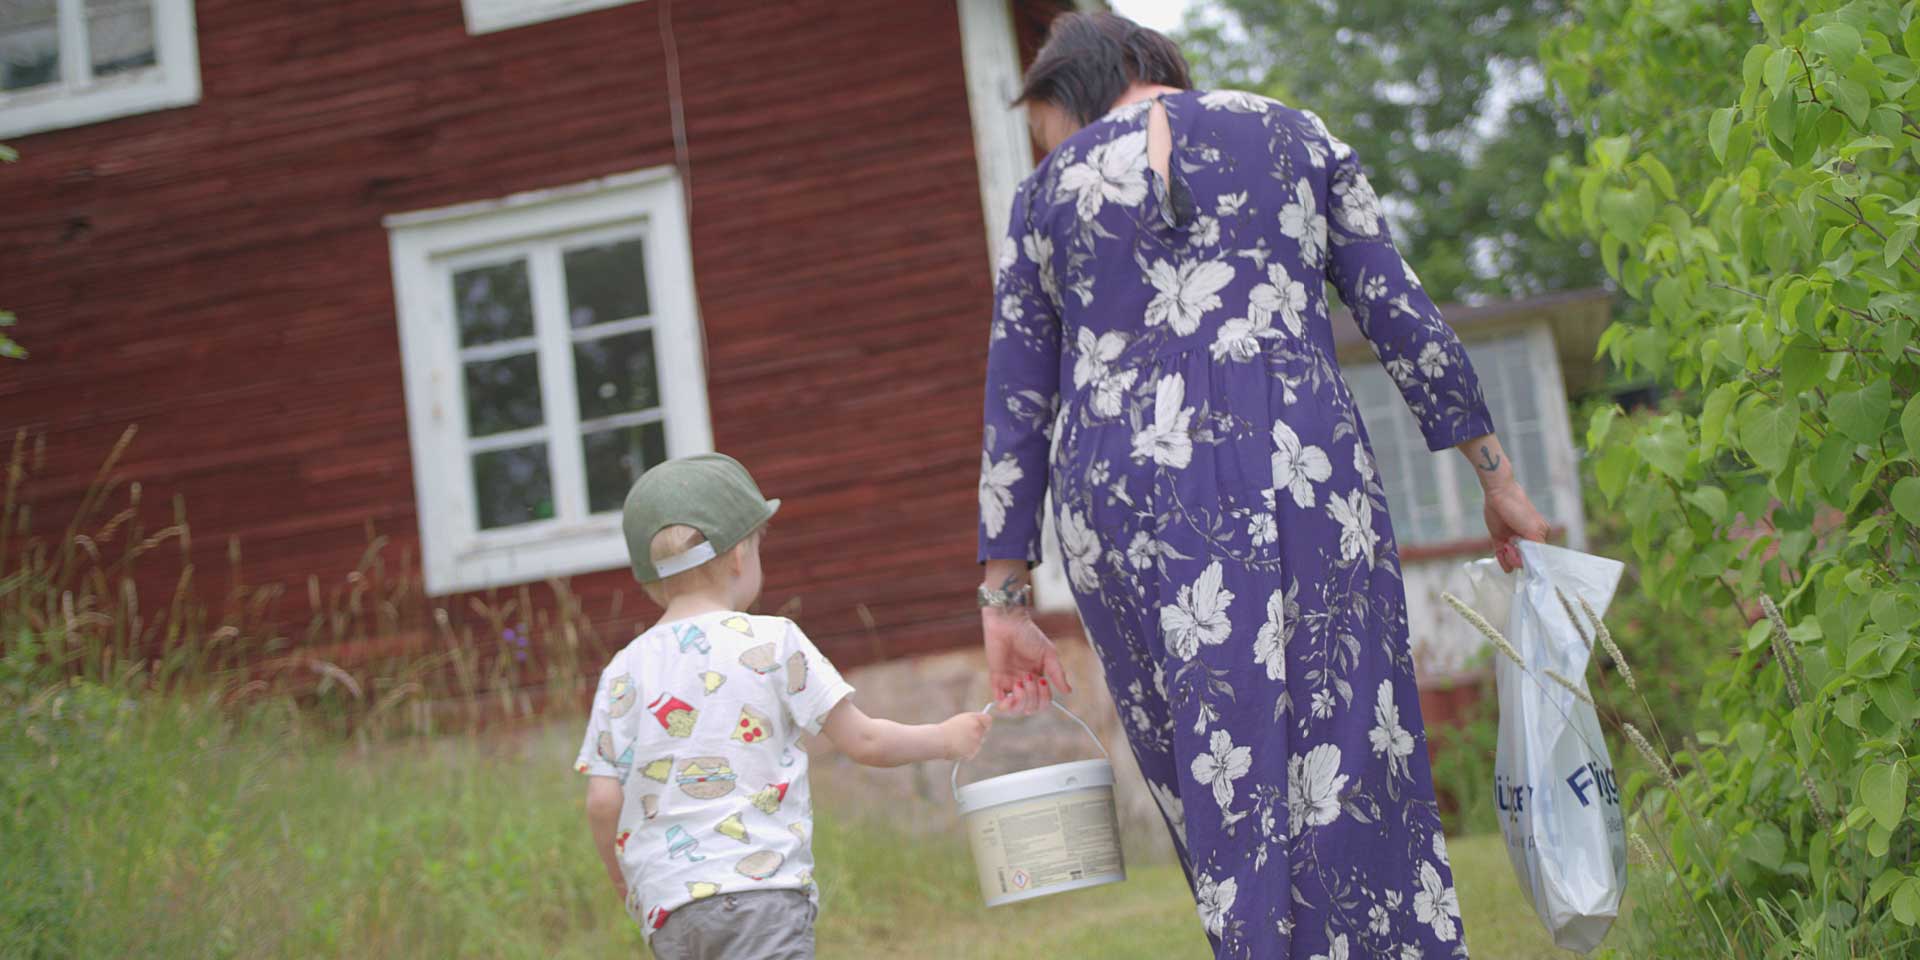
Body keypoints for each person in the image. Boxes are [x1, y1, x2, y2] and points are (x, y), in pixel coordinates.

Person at [976, 13, 1552, 959]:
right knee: (1352, 740)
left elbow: (1017, 398)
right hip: (1300, 467)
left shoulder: (1046, 194)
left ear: (1081, 87)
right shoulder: (1296, 133)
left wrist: (1003, 597)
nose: (1057, 146)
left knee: (1216, 769)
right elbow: (1402, 315)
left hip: (1124, 506)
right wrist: (1496, 476)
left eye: (1051, 123)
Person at [577, 453, 991, 960]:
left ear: (652, 581)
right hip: (761, 892)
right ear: (737, 557)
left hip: (670, 907)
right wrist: (946, 738)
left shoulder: (622, 670)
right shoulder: (774, 641)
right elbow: (865, 741)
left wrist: (630, 888)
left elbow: (602, 803)